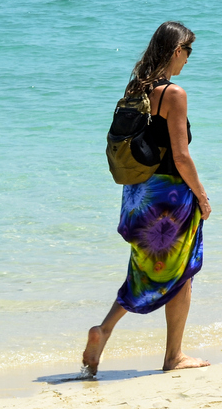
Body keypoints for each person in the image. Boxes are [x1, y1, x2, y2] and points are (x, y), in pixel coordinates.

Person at [82, 21, 213, 376]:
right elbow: (181, 156)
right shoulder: (173, 94)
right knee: (182, 271)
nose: (188, 60)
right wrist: (201, 195)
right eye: (188, 51)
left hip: (138, 194)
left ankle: (105, 328)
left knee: (143, 269)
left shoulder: (136, 89)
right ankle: (173, 356)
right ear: (176, 51)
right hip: (170, 198)